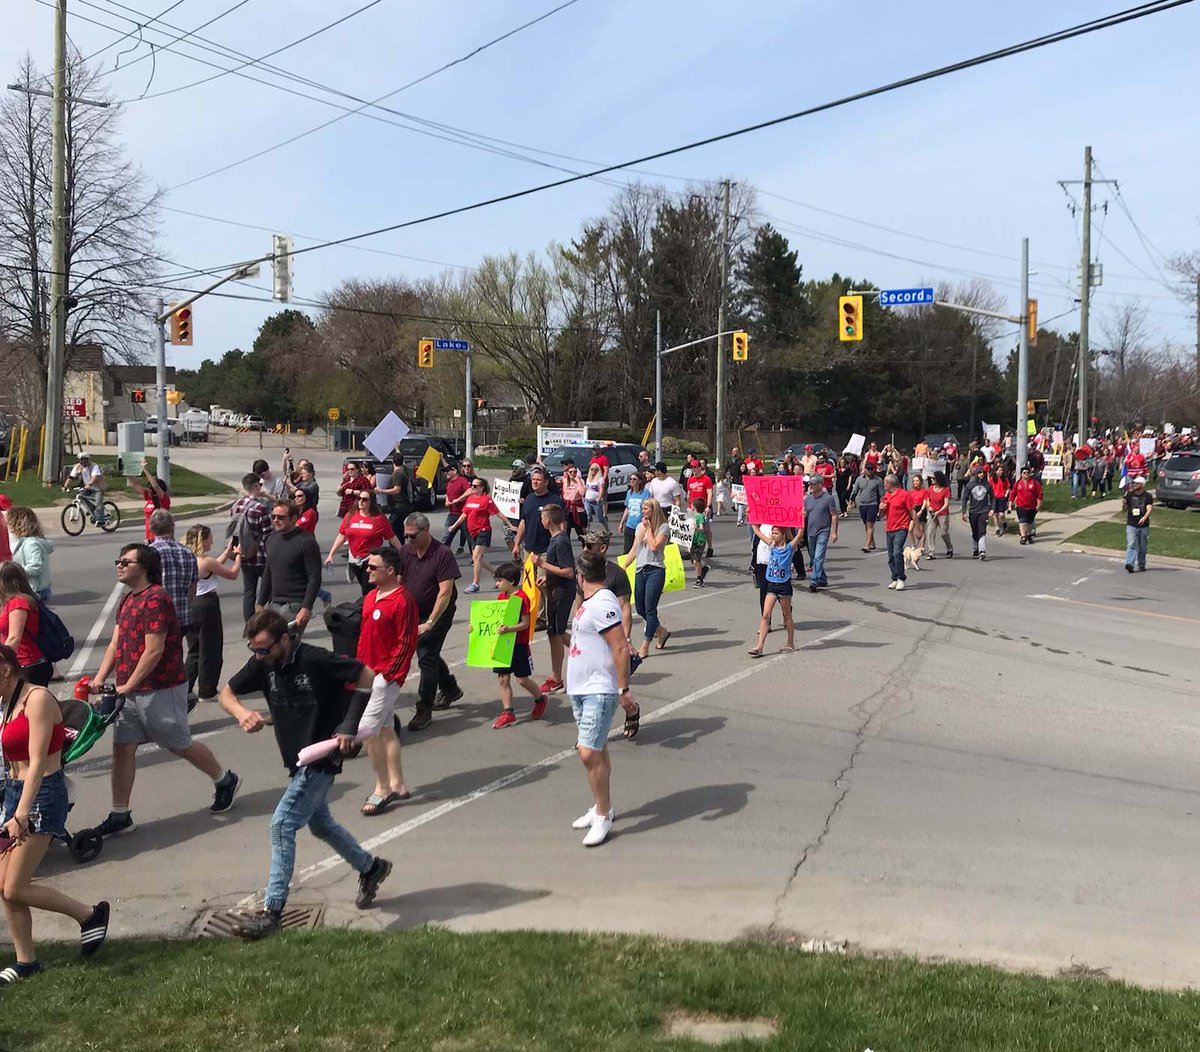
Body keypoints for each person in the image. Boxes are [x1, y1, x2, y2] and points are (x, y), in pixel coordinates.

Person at [220, 610, 393, 940]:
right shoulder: (263, 664)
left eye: (264, 649)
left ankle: (273, 912)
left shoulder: (314, 659)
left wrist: (348, 723)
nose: (259, 657)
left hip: (321, 758)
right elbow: (226, 694)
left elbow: (366, 674)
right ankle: (372, 868)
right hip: (296, 759)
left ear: (284, 638)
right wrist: (242, 712)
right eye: (254, 650)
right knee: (321, 823)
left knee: (282, 824)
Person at [88, 543, 240, 838]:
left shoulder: (156, 599)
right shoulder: (127, 599)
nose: (119, 565)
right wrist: (100, 677)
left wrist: (128, 685)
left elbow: (154, 650)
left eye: (126, 562)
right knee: (122, 749)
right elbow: (115, 644)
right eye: (118, 560)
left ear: (144, 567)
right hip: (129, 691)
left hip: (161, 687)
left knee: (179, 743)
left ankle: (224, 780)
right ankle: (120, 814)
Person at [0, 643, 110, 983]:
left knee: (16, 887)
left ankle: (90, 915)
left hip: (42, 795)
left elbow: (36, 763)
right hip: (14, 794)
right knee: (4, 885)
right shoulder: (7, 703)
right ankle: (26, 961)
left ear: (5, 669)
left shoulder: (38, 700)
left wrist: (21, 813)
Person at [566, 549, 636, 848]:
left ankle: (604, 815)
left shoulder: (602, 602)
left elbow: (620, 647)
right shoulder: (590, 603)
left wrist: (623, 690)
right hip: (581, 687)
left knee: (587, 752)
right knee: (598, 748)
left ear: (581, 577)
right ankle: (599, 807)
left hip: (598, 688)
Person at [356, 546, 418, 814]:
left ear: (390, 571)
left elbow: (406, 642)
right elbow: (364, 636)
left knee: (366, 730)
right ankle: (398, 782)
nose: (367, 570)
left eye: (372, 567)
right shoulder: (371, 597)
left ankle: (382, 788)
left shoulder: (403, 601)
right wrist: (358, 669)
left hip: (387, 676)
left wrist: (389, 675)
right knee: (385, 730)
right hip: (369, 673)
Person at [399, 512, 462, 731]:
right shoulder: (406, 551)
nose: (409, 540)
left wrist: (431, 622)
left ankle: (424, 708)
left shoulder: (442, 554)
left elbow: (445, 593)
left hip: (439, 613)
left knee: (425, 655)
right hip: (414, 612)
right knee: (430, 654)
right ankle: (450, 687)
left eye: (412, 535)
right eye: (406, 536)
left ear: (426, 531)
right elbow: (398, 581)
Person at [183, 525, 240, 705]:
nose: (212, 541)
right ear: (203, 540)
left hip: (190, 605)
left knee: (194, 650)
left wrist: (227, 553)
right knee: (211, 648)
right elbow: (232, 574)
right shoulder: (204, 561)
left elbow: (215, 565)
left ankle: (184, 687)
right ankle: (207, 690)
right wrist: (237, 556)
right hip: (206, 604)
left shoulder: (187, 558)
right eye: (209, 538)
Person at [488, 561, 549, 728]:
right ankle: (508, 712)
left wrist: (509, 629)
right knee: (503, 678)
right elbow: (493, 620)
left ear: (512, 582)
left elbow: (525, 623)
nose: (497, 584)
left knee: (522, 679)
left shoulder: (521, 598)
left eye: (500, 581)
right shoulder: (502, 597)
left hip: (518, 644)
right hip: (503, 644)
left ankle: (540, 698)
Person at [259, 500, 322, 638]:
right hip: (274, 604)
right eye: (273, 516)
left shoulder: (306, 542)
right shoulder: (271, 540)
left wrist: (306, 607)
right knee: (272, 648)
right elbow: (268, 572)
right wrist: (260, 603)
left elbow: (314, 576)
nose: (275, 520)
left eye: (281, 517)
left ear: (294, 518)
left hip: (295, 605)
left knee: (287, 648)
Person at [531, 504, 574, 694]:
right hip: (554, 588)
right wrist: (547, 576)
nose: (541, 520)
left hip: (561, 592)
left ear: (548, 520)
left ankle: (558, 678)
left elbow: (569, 571)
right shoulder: (555, 539)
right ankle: (557, 676)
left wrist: (541, 564)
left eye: (543, 517)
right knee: (553, 632)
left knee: (556, 632)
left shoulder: (560, 541)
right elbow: (558, 566)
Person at [148, 510, 198, 671]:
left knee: (155, 657)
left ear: (152, 528)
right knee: (175, 655)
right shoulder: (188, 553)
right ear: (172, 527)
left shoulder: (149, 552)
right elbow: (193, 588)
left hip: (156, 617)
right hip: (181, 616)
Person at [325, 493, 401, 594]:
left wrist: (403, 551)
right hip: (355, 559)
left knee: (367, 589)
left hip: (370, 560)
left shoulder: (379, 519)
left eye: (364, 499)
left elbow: (391, 537)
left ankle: (369, 607)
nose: (361, 501)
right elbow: (342, 536)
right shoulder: (350, 515)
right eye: (359, 498)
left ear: (371, 502)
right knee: (364, 587)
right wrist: (331, 554)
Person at [626, 497, 672, 659]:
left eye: (645, 509)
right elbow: (634, 550)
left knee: (650, 609)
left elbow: (654, 547)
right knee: (640, 608)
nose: (642, 512)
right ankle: (661, 631)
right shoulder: (640, 526)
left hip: (655, 570)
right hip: (640, 570)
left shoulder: (663, 527)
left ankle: (645, 645)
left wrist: (649, 529)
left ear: (653, 510)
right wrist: (624, 566)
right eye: (642, 509)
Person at [747, 525, 802, 656]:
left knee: (786, 615)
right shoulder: (772, 545)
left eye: (776, 533)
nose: (773, 535)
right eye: (772, 533)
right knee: (765, 615)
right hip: (771, 584)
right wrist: (752, 518)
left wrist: (801, 520)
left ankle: (790, 643)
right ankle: (759, 646)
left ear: (783, 534)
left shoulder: (789, 548)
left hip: (784, 586)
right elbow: (758, 532)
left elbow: (799, 535)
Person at [447, 477, 507, 594]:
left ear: (482, 487)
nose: (472, 488)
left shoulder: (487, 500)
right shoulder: (470, 499)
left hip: (484, 530)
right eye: (472, 485)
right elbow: (464, 514)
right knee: (478, 558)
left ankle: (475, 584)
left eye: (475, 486)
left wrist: (509, 524)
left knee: (476, 557)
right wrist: (454, 525)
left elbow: (498, 513)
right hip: (472, 532)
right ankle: (497, 574)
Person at [230, 473, 274, 623]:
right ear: (255, 486)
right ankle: (270, 621)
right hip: (261, 555)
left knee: (249, 592)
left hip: (243, 554)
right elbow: (269, 533)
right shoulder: (260, 508)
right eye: (260, 485)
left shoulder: (236, 505)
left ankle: (250, 625)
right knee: (271, 588)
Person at [0, 564, 51, 687]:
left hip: (27, 665)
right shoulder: (17, 601)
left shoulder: (18, 603)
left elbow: (14, 638)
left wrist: (2, 660)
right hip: (27, 664)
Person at [511, 466, 565, 562]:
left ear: (546, 482)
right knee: (527, 577)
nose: (535, 482)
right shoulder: (528, 499)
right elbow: (524, 522)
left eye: (538, 480)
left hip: (547, 550)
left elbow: (562, 524)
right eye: (533, 479)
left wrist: (560, 545)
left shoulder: (555, 501)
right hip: (528, 549)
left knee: (542, 577)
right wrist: (516, 545)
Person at [8, 508, 53, 601]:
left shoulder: (31, 543)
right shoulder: (24, 542)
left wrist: (13, 571)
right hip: (29, 588)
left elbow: (35, 567)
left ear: (18, 524)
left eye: (9, 524)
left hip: (35, 590)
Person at [803, 476, 838, 592]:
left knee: (818, 557)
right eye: (810, 484)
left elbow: (834, 515)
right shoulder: (808, 499)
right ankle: (822, 578)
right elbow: (805, 514)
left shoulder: (828, 498)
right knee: (814, 558)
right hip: (810, 531)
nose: (810, 486)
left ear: (820, 485)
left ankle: (814, 580)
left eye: (813, 484)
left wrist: (834, 532)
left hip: (823, 531)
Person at [881, 474, 915, 590]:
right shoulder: (887, 495)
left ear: (890, 484)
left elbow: (912, 511)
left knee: (897, 553)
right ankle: (894, 577)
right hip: (889, 528)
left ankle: (901, 578)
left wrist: (918, 528)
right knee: (891, 556)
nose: (884, 485)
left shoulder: (904, 495)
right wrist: (881, 509)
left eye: (885, 483)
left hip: (901, 527)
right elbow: (881, 515)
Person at [846, 461, 884, 553]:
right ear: (865, 469)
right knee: (866, 525)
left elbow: (882, 494)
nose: (870, 471)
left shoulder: (878, 480)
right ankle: (872, 542)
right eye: (868, 469)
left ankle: (867, 545)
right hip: (863, 505)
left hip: (873, 504)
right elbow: (854, 492)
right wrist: (850, 503)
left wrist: (882, 505)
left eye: (871, 469)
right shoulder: (859, 479)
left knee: (870, 524)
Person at [62, 452, 106, 527]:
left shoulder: (94, 466)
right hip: (87, 487)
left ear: (87, 460)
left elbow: (94, 477)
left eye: (83, 460)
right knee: (81, 497)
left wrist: (90, 484)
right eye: (80, 460)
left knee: (98, 501)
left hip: (98, 487)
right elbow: (71, 477)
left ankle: (101, 520)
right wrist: (65, 486)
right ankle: (92, 509)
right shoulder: (78, 466)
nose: (81, 462)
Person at [961, 464, 993, 561]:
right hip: (973, 511)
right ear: (976, 474)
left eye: (983, 473)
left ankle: (982, 551)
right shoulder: (970, 485)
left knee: (982, 531)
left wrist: (992, 508)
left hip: (984, 511)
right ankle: (976, 549)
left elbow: (993, 497)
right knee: (975, 532)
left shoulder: (987, 485)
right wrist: (963, 512)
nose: (981, 474)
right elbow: (965, 498)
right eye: (979, 472)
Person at [379, 455, 416, 536]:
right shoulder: (404, 471)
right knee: (399, 529)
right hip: (403, 505)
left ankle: (396, 547)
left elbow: (396, 490)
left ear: (393, 462)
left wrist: (381, 491)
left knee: (393, 529)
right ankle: (400, 546)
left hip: (399, 506)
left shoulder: (398, 474)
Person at [1123, 476, 1153, 572]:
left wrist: (1144, 518)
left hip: (1143, 525)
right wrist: (1124, 504)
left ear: (1142, 485)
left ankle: (1141, 564)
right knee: (1131, 544)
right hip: (1131, 523)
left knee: (1142, 546)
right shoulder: (1130, 495)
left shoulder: (1147, 496)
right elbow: (1125, 510)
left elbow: (1149, 508)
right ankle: (1130, 564)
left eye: (1136, 483)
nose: (1134, 485)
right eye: (1134, 483)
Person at [441, 464, 472, 553]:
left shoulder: (462, 481)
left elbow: (470, 491)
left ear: (454, 471)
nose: (446, 473)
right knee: (446, 536)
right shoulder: (449, 483)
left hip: (463, 515)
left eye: (447, 471)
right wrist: (447, 502)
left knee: (470, 538)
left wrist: (458, 499)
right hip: (452, 514)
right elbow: (448, 494)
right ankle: (443, 556)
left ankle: (476, 558)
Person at [923, 471, 954, 559]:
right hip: (932, 513)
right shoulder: (930, 488)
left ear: (938, 479)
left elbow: (946, 504)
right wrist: (929, 507)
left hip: (942, 514)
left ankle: (949, 547)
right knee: (930, 532)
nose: (931, 480)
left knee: (944, 533)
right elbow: (927, 499)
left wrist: (938, 511)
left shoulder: (945, 489)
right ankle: (931, 552)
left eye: (933, 478)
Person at [1011, 465, 1043, 546]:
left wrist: (1039, 505)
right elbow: (1013, 494)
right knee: (1022, 521)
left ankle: (1028, 535)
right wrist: (1010, 504)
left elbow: (1040, 494)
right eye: (1024, 473)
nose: (1026, 474)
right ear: (1021, 474)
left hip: (1032, 506)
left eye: (1027, 473)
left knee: (1029, 522)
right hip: (1021, 506)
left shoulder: (1035, 483)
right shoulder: (1018, 483)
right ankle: (1023, 537)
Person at [618, 471, 647, 555]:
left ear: (640, 481)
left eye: (634, 479)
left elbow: (648, 509)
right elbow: (627, 508)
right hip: (630, 526)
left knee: (639, 550)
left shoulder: (645, 493)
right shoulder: (629, 493)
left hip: (641, 526)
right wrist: (621, 523)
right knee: (627, 550)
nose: (632, 481)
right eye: (630, 479)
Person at [141, 467, 170, 542]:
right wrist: (128, 470)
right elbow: (135, 484)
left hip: (160, 538)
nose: (148, 490)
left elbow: (156, 487)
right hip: (149, 538)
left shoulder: (164, 499)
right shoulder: (149, 498)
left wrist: (145, 470)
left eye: (150, 488)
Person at [688, 497, 711, 586]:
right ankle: (703, 570)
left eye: (692, 504)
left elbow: (702, 529)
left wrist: (696, 528)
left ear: (695, 506)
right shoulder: (692, 515)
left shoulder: (700, 516)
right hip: (693, 541)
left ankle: (699, 579)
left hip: (699, 541)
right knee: (693, 560)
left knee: (696, 560)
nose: (691, 506)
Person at [989, 464, 1011, 536]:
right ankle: (997, 528)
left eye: (1001, 470)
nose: (1001, 472)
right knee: (995, 514)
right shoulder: (992, 479)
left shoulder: (1004, 479)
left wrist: (1006, 495)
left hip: (1002, 498)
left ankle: (1004, 523)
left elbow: (1008, 487)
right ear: (996, 471)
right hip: (994, 498)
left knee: (1001, 514)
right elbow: (989, 487)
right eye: (999, 470)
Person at [583, 463, 607, 528]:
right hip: (587, 500)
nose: (594, 471)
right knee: (588, 517)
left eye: (596, 470)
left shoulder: (600, 479)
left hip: (596, 502)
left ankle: (607, 529)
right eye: (592, 469)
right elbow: (586, 489)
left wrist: (599, 498)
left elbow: (601, 489)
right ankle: (588, 531)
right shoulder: (588, 479)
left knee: (600, 518)